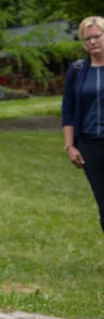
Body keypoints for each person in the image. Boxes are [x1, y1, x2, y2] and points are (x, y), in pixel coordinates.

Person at [62, 16, 104, 233]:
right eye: (87, 38)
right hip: (90, 145)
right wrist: (70, 146)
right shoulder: (78, 70)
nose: (93, 42)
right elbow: (68, 109)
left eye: (97, 36)